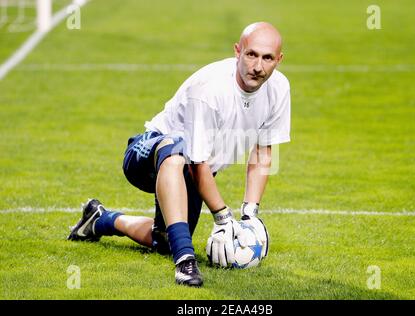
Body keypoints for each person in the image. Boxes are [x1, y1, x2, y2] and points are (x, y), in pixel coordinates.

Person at [67, 21, 291, 287]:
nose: (257, 66)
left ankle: (100, 219)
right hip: (149, 154)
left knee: (165, 240)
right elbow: (197, 163)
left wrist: (249, 215)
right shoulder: (210, 89)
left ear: (279, 59)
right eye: (251, 54)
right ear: (237, 51)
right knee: (177, 151)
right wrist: (222, 217)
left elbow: (263, 152)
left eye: (267, 58)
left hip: (194, 170)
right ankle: (185, 262)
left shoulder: (279, 89)